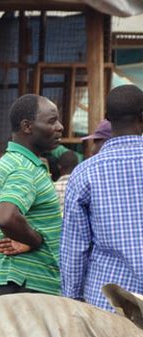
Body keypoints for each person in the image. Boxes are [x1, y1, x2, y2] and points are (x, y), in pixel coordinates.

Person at [61, 85, 143, 311]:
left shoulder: (84, 173)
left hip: (108, 307)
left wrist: (72, 300)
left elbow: (75, 247)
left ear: (107, 119)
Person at [0, 94, 63, 297]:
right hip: (27, 284)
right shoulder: (23, 167)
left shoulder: (14, 161)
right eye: (52, 121)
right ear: (27, 126)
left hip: (19, 282)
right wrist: (36, 240)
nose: (60, 127)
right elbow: (6, 217)